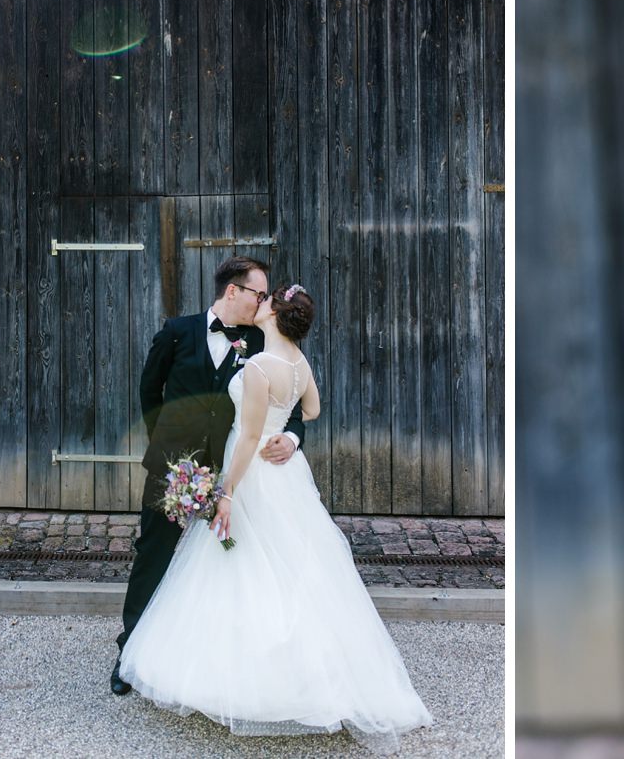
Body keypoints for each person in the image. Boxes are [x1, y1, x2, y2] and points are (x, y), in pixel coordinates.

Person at [119, 285, 433, 749]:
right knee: (290, 565)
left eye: (267, 301)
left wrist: (227, 491)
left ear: (276, 316)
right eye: (258, 295)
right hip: (282, 480)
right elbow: (313, 408)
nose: (259, 304)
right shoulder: (299, 364)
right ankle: (311, 668)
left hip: (250, 473)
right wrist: (282, 433)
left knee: (239, 564)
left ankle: (244, 678)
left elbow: (247, 438)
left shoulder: (261, 365)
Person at [115, 255, 304, 695]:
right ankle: (129, 654)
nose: (264, 301)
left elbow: (294, 400)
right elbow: (149, 390)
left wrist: (291, 439)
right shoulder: (176, 331)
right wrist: (166, 448)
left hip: (239, 477)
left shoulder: (264, 341)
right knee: (154, 556)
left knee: (228, 567)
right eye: (258, 292)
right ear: (232, 291)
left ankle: (223, 669)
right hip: (174, 471)